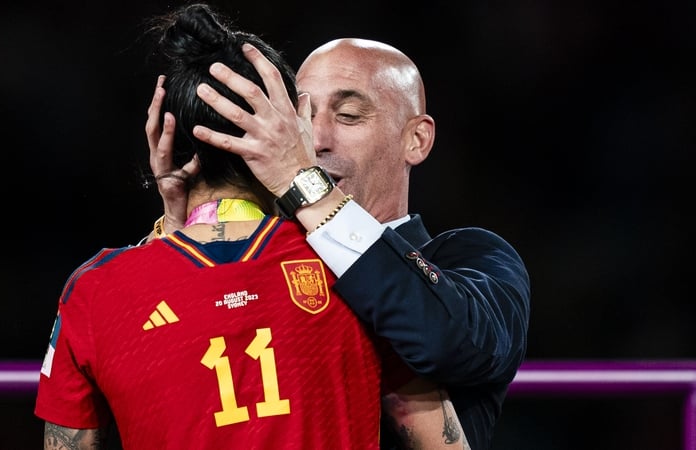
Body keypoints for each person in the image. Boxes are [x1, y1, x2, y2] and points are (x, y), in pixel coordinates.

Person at [35, 4, 467, 450]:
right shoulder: (355, 269)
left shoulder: (94, 292)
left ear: (169, 141)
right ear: (287, 129)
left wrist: (171, 226)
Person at [146, 36, 531, 450]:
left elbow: (445, 341)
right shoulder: (254, 262)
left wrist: (303, 182)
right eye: (303, 118)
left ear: (416, 140)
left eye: (348, 116)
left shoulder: (474, 258)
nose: (316, 141)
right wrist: (184, 221)